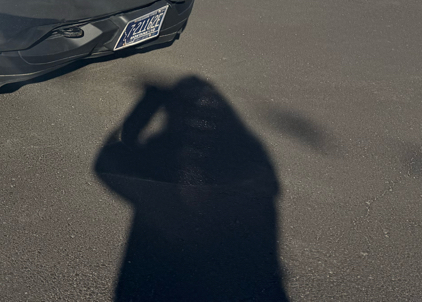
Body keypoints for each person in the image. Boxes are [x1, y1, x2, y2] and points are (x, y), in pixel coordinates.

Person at [94, 75, 289, 301]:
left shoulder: (158, 160)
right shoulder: (249, 167)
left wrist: (149, 103)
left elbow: (108, 159)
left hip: (156, 286)